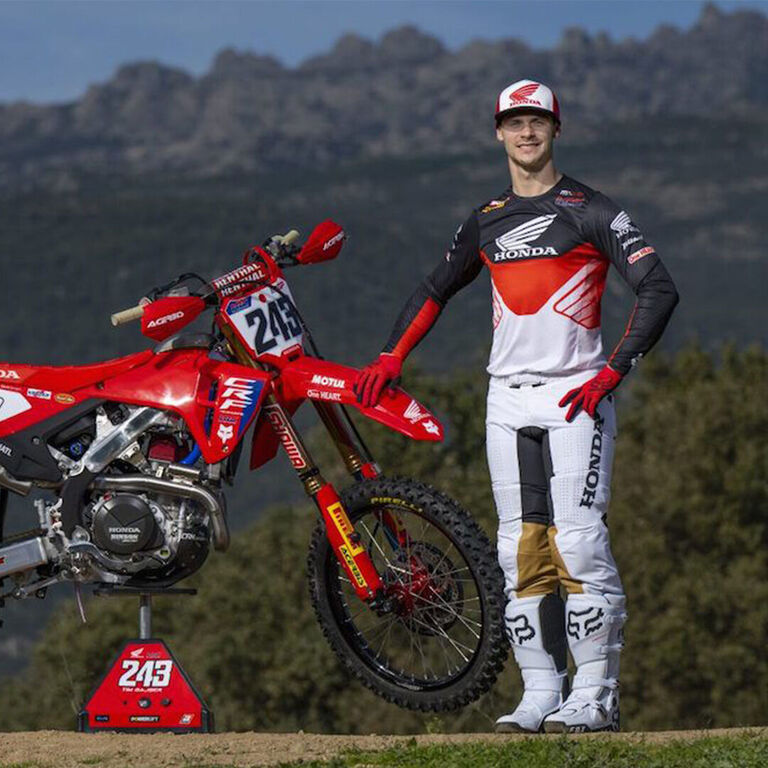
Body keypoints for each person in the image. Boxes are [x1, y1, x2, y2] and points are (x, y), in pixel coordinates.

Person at [354, 79, 679, 733]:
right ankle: (540, 693)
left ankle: (596, 694)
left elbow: (659, 288)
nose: (526, 132)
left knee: (578, 544)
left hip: (576, 397)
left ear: (557, 128)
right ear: (498, 133)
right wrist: (391, 357)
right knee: (519, 548)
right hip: (505, 399)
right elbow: (434, 288)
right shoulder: (486, 218)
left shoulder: (592, 209)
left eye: (538, 121)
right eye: (514, 122)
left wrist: (612, 371)